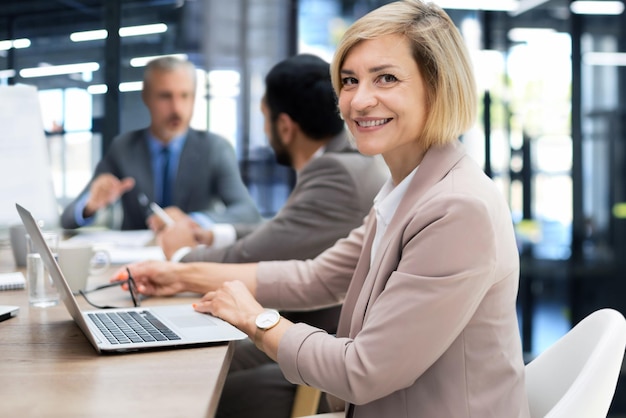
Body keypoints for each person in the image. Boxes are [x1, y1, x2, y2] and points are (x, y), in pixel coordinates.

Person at [117, 1, 530, 416]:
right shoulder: (408, 188)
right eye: (349, 81)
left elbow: (362, 371)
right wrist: (179, 275)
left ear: (438, 88)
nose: (359, 100)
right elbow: (315, 277)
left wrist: (258, 320)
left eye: (386, 78)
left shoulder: (456, 209)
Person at [122, 53, 388, 418]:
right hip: (306, 334)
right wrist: (204, 239)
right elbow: (285, 235)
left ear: (284, 125)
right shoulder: (348, 164)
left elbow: (262, 255)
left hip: (321, 359)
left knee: (185, 387)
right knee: (179, 361)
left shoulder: (338, 172)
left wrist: (179, 259)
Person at [60, 56, 261, 231]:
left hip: (192, 256)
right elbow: (68, 219)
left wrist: (193, 221)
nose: (176, 108)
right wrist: (89, 205)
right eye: (165, 96)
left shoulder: (214, 148)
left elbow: (248, 214)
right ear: (146, 97)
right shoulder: (123, 148)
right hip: (135, 262)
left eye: (185, 96)